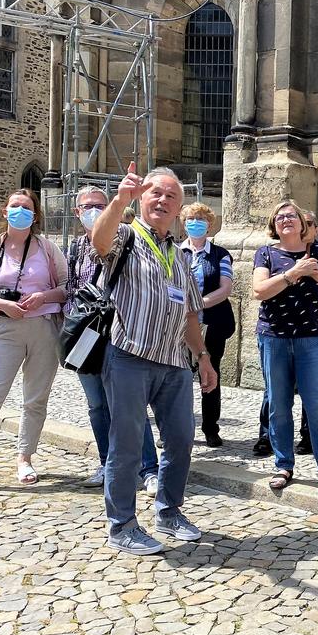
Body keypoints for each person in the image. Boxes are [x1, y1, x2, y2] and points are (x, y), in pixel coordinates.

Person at [90, 164, 218, 555]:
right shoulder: (126, 236)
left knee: (181, 439)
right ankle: (122, 525)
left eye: (171, 196)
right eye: (155, 193)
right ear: (143, 199)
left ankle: (168, 511)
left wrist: (204, 357)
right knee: (127, 445)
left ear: (180, 208)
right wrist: (118, 202)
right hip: (129, 356)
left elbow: (191, 313)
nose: (163, 199)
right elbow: (99, 242)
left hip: (175, 362)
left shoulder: (179, 256)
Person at [0, 189, 68, 489]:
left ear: (35, 215)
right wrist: (3, 304)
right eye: (15, 206)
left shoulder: (48, 248)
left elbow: (65, 286)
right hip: (4, 329)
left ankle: (25, 457)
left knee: (35, 399)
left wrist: (44, 295)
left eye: (27, 207)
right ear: (5, 212)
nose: (21, 211)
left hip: (44, 328)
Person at [66, 185, 159, 489]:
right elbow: (69, 288)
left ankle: (148, 469)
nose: (93, 210)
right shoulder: (75, 248)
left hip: (119, 333)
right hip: (86, 336)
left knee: (130, 404)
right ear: (76, 212)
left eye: (99, 205)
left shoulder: (125, 240)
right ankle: (108, 464)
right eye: (87, 206)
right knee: (97, 405)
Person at [253, 200, 318, 492]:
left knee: (317, 405)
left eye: (291, 215)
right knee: (279, 405)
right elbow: (260, 291)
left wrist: (314, 272)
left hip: (311, 338)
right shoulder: (265, 253)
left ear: (302, 224)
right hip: (274, 337)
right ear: (274, 225)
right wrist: (292, 274)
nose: (285, 220)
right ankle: (283, 465)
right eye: (279, 217)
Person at [180, 202, 235, 448]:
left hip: (211, 322)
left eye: (200, 219)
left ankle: (211, 428)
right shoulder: (175, 251)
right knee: (177, 378)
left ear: (209, 224)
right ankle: (178, 428)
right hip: (177, 324)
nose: (195, 222)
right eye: (191, 218)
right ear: (183, 223)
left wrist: (197, 305)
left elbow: (225, 288)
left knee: (210, 375)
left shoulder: (220, 254)